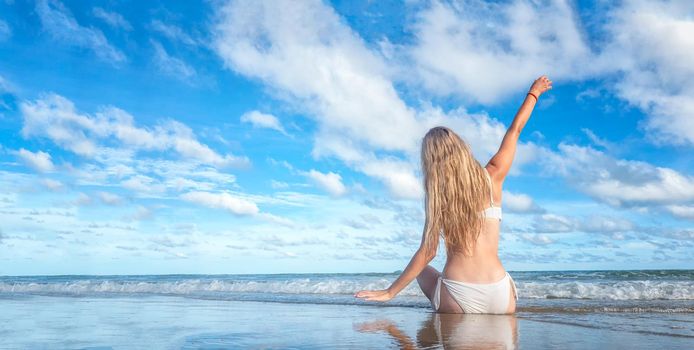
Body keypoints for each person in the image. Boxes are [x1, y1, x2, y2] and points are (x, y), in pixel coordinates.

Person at [354, 75, 553, 314]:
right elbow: (515, 130)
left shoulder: (439, 199)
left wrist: (390, 292)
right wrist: (534, 93)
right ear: (461, 150)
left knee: (423, 270)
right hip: (500, 295)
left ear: (430, 163)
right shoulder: (493, 176)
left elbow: (428, 252)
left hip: (458, 295)